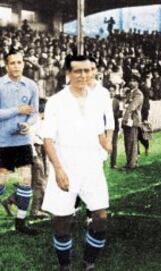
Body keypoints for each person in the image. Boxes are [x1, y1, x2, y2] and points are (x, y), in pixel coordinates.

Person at [41, 55, 109, 270]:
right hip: (65, 164)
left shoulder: (97, 99)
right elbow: (48, 140)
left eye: (87, 70)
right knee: (62, 219)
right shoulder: (56, 101)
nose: (83, 75)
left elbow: (99, 131)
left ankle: (89, 264)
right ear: (68, 73)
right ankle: (65, 265)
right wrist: (59, 170)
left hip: (91, 165)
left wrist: (106, 146)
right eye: (78, 71)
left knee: (100, 216)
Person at [0, 48, 39, 235]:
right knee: (1, 179)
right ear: (6, 65)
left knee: (26, 179)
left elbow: (34, 114)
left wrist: (28, 125)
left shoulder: (31, 85)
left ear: (23, 64)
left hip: (22, 140)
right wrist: (17, 110)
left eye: (19, 62)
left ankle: (21, 221)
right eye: (12, 63)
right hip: (2, 141)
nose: (16, 66)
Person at [122, 73, 144, 170]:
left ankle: (132, 164)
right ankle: (130, 162)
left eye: (134, 81)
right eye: (131, 80)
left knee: (132, 141)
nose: (131, 82)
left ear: (137, 83)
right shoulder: (130, 93)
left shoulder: (138, 94)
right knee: (127, 142)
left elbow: (132, 107)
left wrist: (125, 116)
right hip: (127, 120)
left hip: (133, 120)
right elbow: (124, 104)